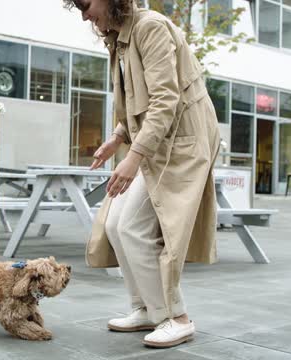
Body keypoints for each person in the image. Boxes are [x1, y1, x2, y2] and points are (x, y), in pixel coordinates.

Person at [63, 0, 221, 349]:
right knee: (116, 225)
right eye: (77, 7)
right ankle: (148, 309)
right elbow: (140, 98)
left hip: (180, 142)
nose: (84, 14)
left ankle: (176, 317)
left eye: (85, 4)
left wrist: (133, 157)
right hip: (159, 141)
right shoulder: (121, 36)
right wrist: (117, 138)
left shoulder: (149, 28)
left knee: (132, 226)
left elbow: (165, 99)